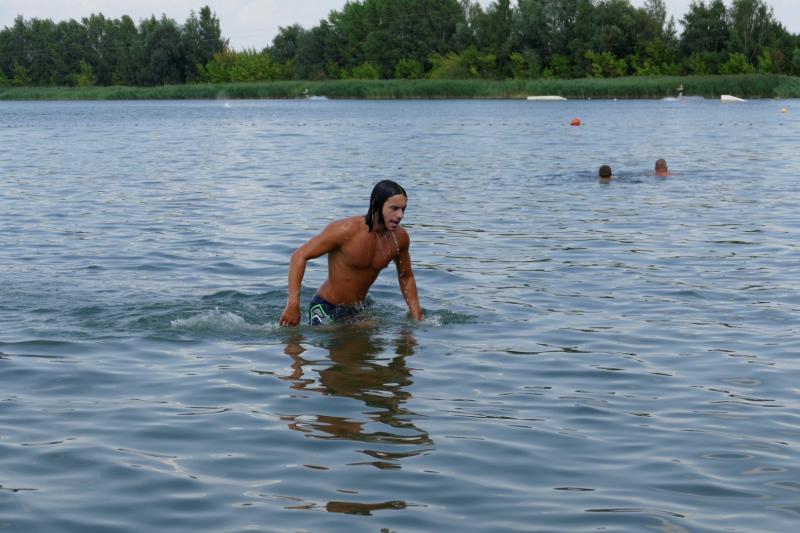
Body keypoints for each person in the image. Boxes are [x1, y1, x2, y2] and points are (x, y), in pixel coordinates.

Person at [279, 179, 423, 326]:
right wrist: (293, 304)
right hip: (325, 307)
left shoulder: (400, 237)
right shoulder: (345, 230)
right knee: (351, 335)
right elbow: (299, 256)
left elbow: (406, 276)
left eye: (403, 209)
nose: (400, 215)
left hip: (358, 307)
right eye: (394, 208)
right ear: (376, 204)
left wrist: (416, 316)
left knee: (373, 333)